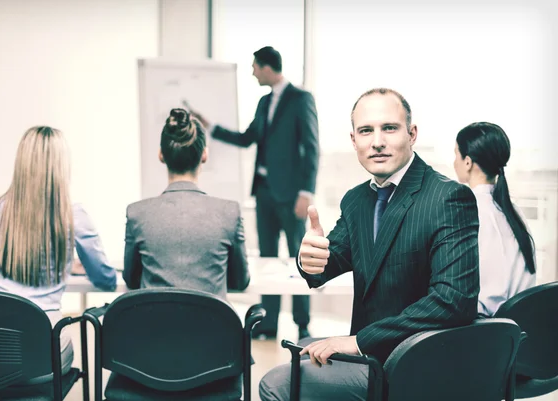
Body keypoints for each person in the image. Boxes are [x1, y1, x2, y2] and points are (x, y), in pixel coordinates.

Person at [259, 88, 480, 400]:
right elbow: (325, 263)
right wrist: (307, 258)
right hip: (371, 360)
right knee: (301, 355)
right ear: (354, 141)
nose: (377, 141)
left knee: (275, 384)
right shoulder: (356, 200)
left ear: (412, 134)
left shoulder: (447, 197)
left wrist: (358, 341)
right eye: (366, 131)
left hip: (419, 365)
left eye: (389, 128)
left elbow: (453, 301)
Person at [191, 46, 319, 340]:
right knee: (267, 258)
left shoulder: (301, 99)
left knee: (300, 257)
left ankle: (302, 323)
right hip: (263, 193)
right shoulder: (263, 103)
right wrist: (210, 127)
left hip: (290, 194)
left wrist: (306, 192)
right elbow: (248, 138)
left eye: (254, 67)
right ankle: (270, 323)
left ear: (267, 67)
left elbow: (311, 147)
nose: (252, 72)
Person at [0, 126, 117, 381]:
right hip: (40, 353)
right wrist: (71, 263)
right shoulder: (73, 215)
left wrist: (64, 262)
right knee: (65, 339)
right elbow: (105, 279)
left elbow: (16, 259)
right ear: (61, 166)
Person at [123, 108, 250, 299]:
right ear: (204, 155)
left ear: (161, 155)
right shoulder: (229, 213)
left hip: (154, 327)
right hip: (212, 327)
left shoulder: (137, 213)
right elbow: (240, 282)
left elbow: (132, 281)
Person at [454, 122, 536, 317]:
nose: (454, 162)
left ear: (467, 162)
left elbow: (490, 299)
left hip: (489, 332)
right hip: (515, 330)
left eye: (455, 154)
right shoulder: (513, 211)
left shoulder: (472, 210)